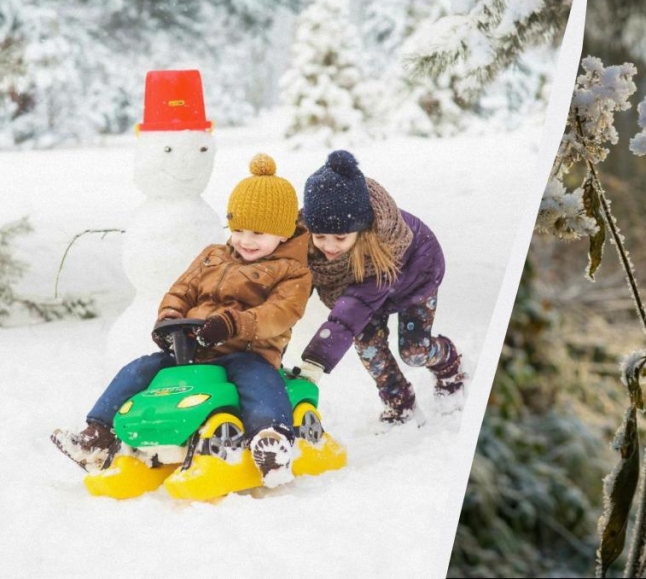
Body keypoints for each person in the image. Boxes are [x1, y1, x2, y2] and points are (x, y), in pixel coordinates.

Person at [51, 154, 311, 487]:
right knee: (140, 369)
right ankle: (98, 433)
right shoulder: (212, 256)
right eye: (239, 229)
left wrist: (234, 324)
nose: (246, 240)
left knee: (258, 381)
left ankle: (271, 439)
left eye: (258, 233)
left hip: (246, 351)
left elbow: (280, 313)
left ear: (283, 233)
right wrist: (170, 318)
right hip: (192, 348)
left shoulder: (293, 272)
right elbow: (182, 290)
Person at [295, 150, 467, 427]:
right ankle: (400, 404)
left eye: (340, 237)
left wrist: (316, 360)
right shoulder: (308, 245)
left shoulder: (383, 248)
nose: (328, 246)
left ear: (361, 230)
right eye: (320, 236)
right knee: (368, 345)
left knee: (415, 352)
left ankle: (448, 364)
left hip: (414, 279)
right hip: (364, 292)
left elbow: (352, 309)